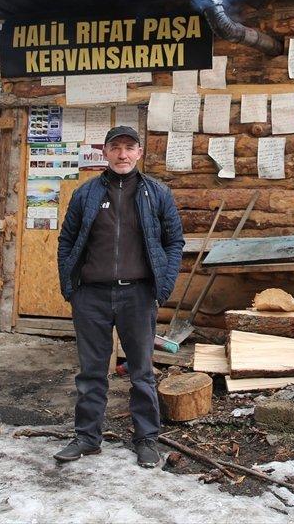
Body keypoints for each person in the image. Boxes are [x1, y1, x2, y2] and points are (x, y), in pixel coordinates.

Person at [53, 125, 184, 468]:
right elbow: (66, 240)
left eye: (129, 148)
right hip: (91, 296)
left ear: (139, 153)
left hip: (138, 296)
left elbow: (174, 243)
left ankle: (146, 439)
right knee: (91, 371)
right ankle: (87, 438)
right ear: (105, 153)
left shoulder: (157, 194)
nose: (122, 154)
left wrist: (164, 285)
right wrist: (70, 285)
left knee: (141, 371)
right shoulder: (85, 194)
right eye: (116, 148)